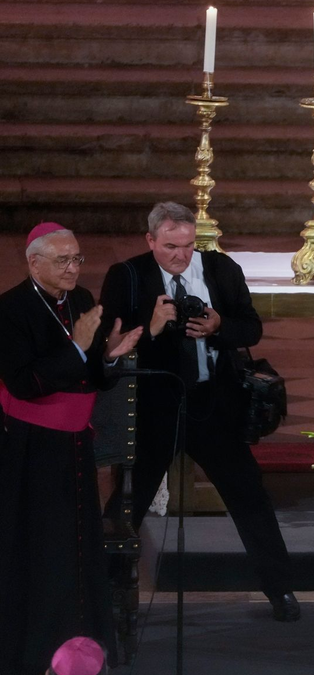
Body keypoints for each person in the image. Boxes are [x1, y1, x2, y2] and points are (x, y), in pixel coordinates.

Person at [97, 202, 300, 622]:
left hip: (213, 405)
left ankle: (280, 590)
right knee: (127, 506)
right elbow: (109, 348)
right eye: (170, 246)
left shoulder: (221, 269)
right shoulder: (128, 276)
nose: (181, 256)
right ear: (151, 240)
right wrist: (151, 329)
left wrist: (219, 327)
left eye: (189, 246)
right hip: (153, 411)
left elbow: (252, 328)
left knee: (249, 496)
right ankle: (100, 592)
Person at [0, 223, 141, 675]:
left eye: (77, 259)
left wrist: (110, 355)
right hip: (30, 453)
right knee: (43, 553)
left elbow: (91, 378)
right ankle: (35, 653)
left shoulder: (80, 302)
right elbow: (25, 384)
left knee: (79, 549)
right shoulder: (10, 311)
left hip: (76, 447)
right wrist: (80, 345)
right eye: (62, 260)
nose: (72, 268)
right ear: (33, 261)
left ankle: (80, 648)